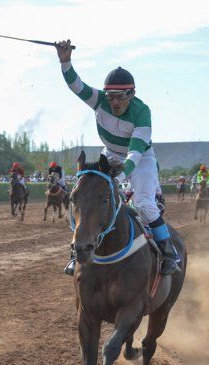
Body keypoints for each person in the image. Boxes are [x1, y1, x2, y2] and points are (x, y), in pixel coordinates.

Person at [57, 39, 181, 276]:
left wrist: (122, 176)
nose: (113, 102)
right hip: (111, 153)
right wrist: (65, 62)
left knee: (143, 204)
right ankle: (77, 253)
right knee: (90, 196)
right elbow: (76, 86)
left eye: (120, 97)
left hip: (140, 158)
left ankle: (168, 252)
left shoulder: (142, 112)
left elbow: (134, 153)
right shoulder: (98, 100)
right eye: (110, 96)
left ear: (131, 94)